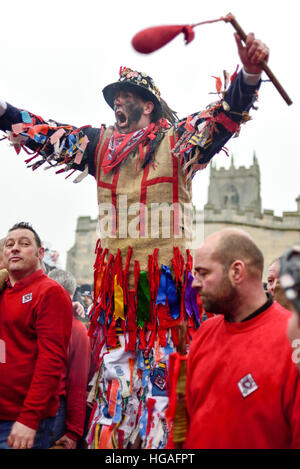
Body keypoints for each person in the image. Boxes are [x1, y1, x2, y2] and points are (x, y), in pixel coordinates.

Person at [0, 28, 269, 449]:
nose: (116, 104)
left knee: (168, 413)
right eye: (113, 99)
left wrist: (249, 75)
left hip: (167, 308)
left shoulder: (177, 143)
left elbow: (220, 119)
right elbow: (44, 133)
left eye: (125, 97)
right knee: (112, 413)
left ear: (148, 106)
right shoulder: (98, 145)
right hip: (115, 313)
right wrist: (3, 112)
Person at [185, 228, 300, 449]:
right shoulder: (205, 332)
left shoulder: (292, 341)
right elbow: (184, 424)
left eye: (204, 273)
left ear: (236, 272)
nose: (195, 283)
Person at [0, 222, 73, 449]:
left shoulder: (50, 292)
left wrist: (29, 418)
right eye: (9, 244)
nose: (14, 248)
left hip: (21, 422)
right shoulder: (3, 289)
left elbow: (51, 361)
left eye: (24, 244)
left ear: (41, 253)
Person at [48, 269, 91, 449]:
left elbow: (77, 383)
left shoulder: (77, 329)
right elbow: (77, 383)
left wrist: (73, 431)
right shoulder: (31, 319)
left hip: (53, 412)